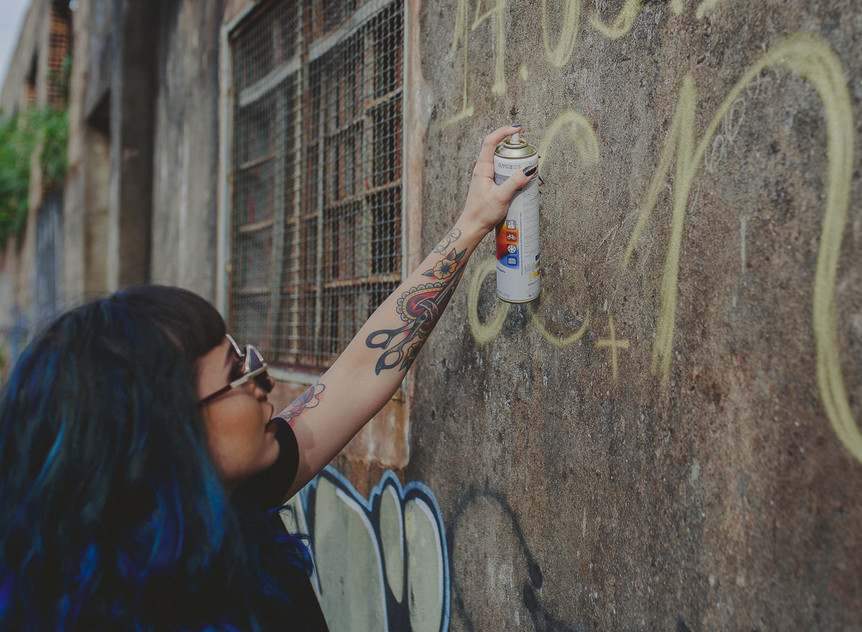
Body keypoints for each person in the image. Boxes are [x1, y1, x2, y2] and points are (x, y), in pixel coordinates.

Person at [0, 126, 535, 631]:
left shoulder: (233, 493)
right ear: (164, 432)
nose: (263, 385)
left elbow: (361, 370)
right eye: (237, 374)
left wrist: (474, 223)